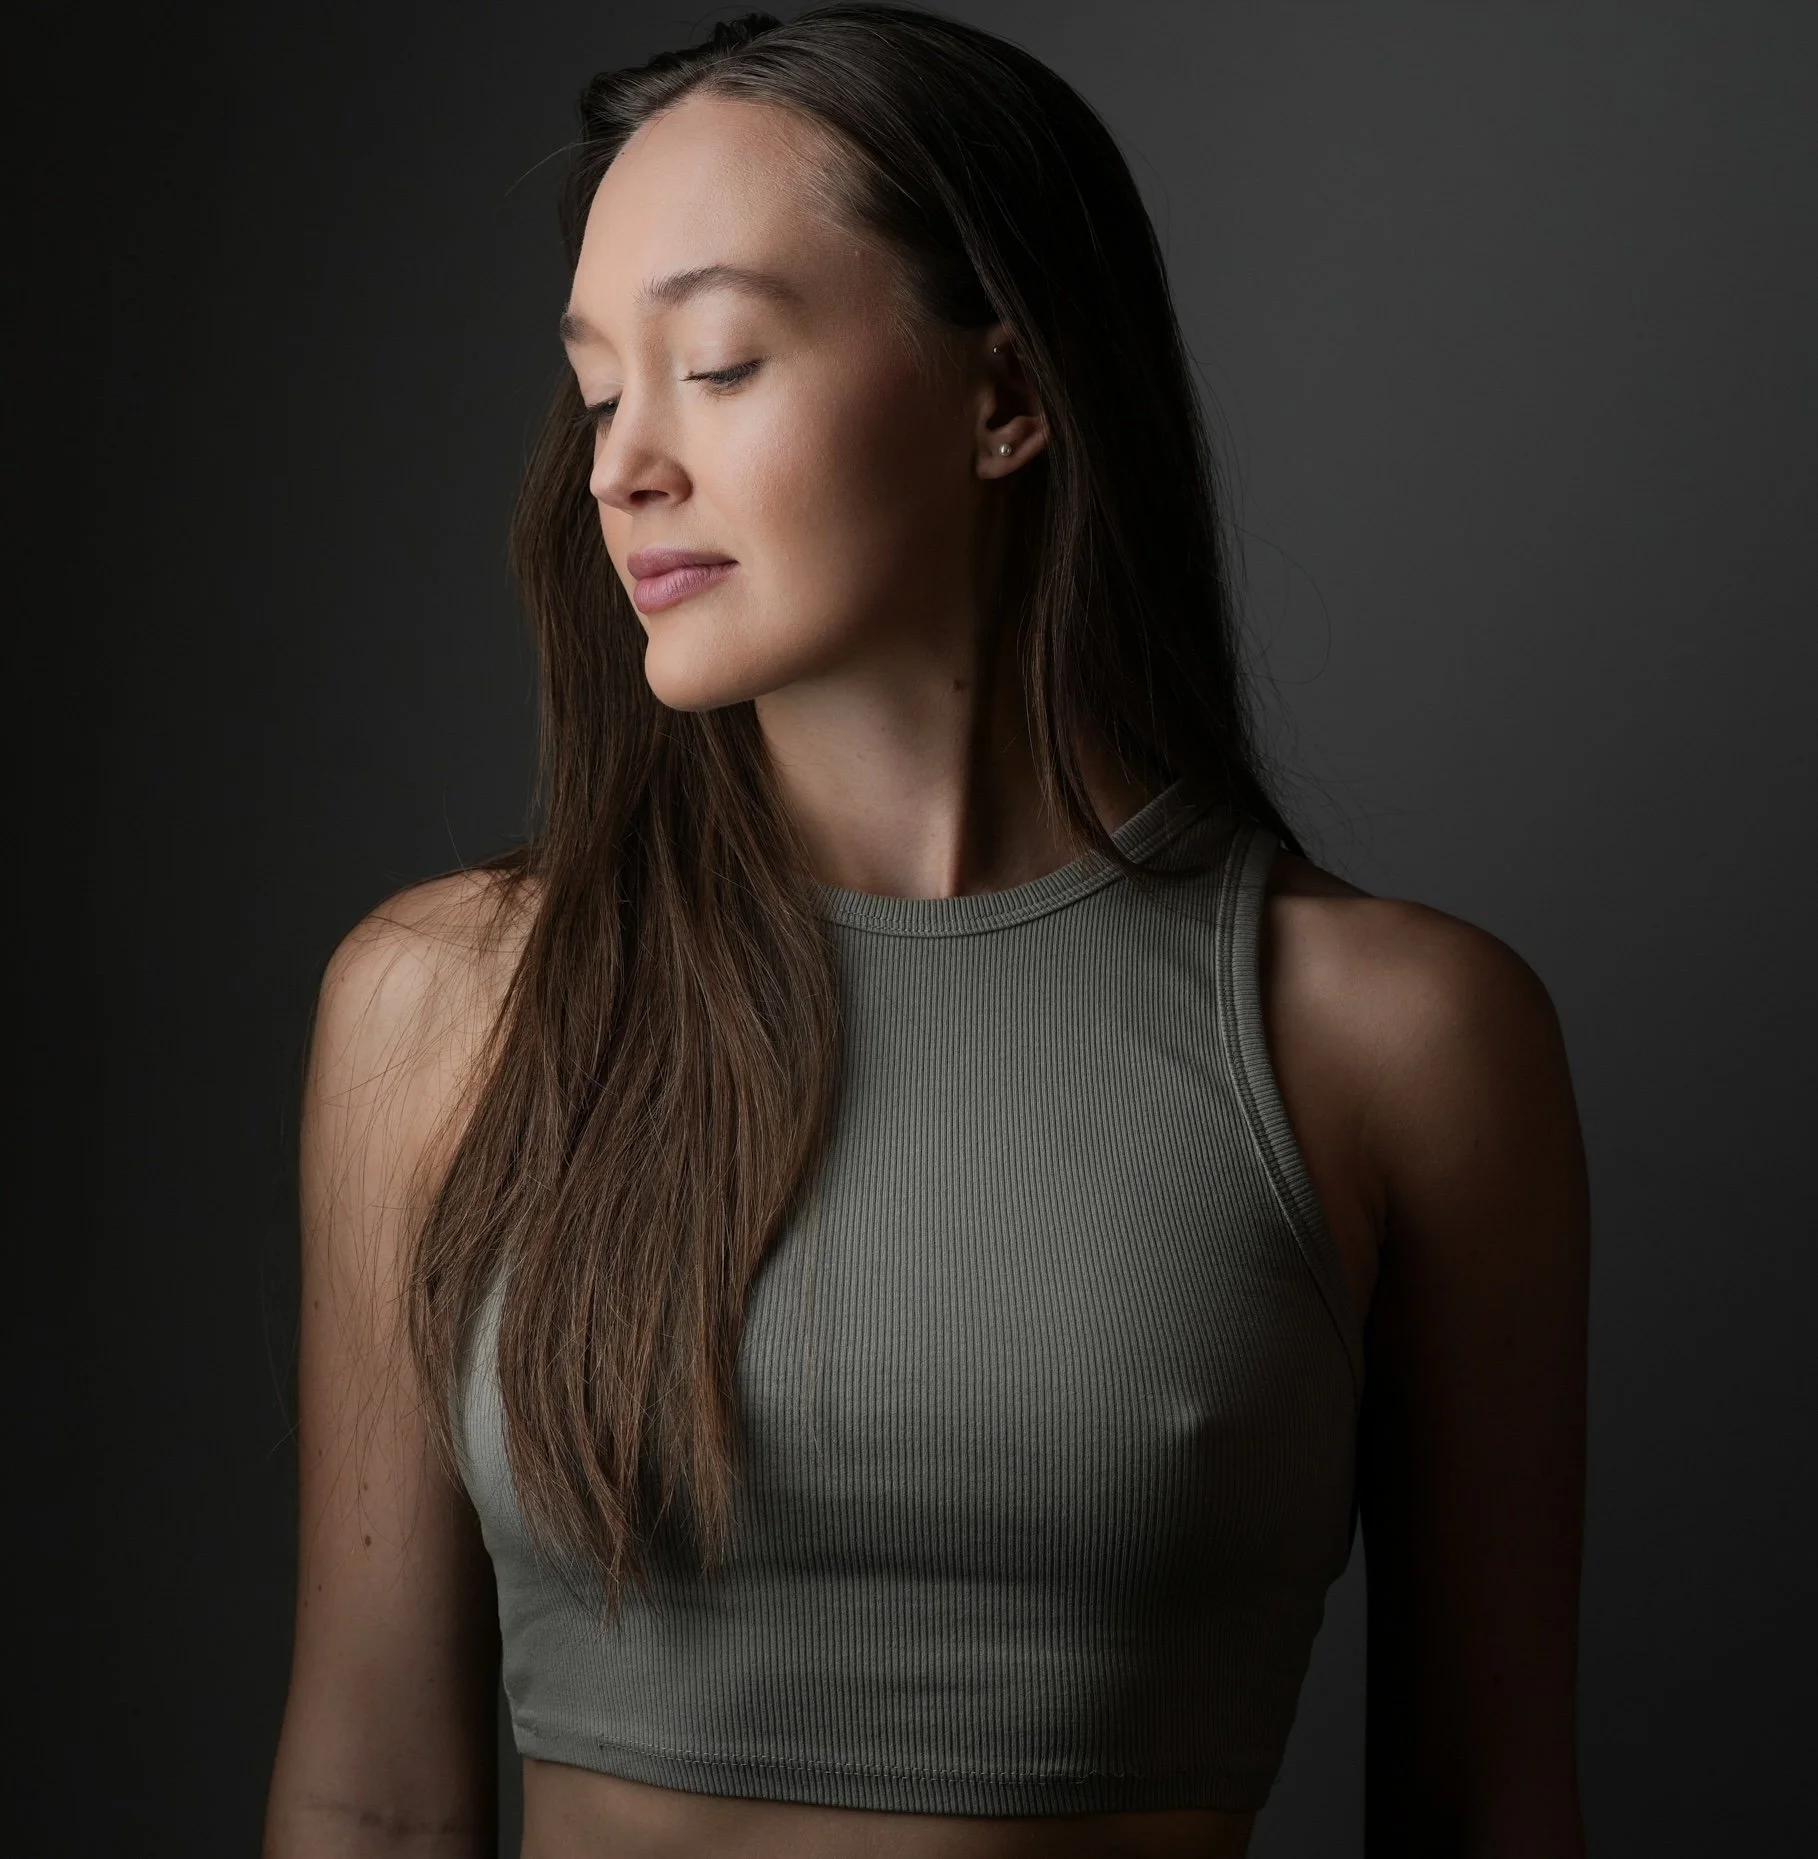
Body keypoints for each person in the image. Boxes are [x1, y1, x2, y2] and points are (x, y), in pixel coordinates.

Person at [263, 7, 1590, 1856]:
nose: (619, 466)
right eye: (595, 389)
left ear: (1006, 395)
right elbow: (369, 1801)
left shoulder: (1394, 1036)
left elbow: (1484, 1801)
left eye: (715, 363)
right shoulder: (445, 1009)